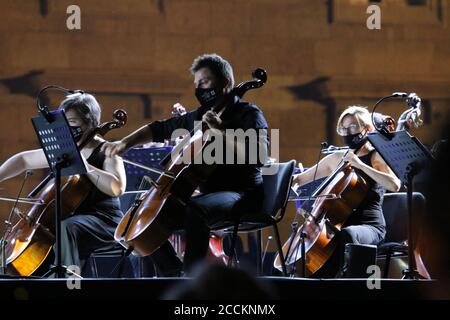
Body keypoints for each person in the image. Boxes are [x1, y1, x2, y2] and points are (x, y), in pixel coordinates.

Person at [102, 53, 269, 274]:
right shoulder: (203, 114)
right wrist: (125, 142)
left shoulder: (249, 113)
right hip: (212, 197)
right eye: (197, 84)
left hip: (243, 194)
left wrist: (220, 131)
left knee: (195, 209)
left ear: (225, 83)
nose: (200, 88)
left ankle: (192, 282)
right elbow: (161, 128)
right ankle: (174, 274)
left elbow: (260, 155)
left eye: (205, 82)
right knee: (147, 222)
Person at [0, 93, 127, 275]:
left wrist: (87, 166)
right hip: (72, 220)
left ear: (89, 121)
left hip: (104, 221)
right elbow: (23, 160)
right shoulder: (65, 150)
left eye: (73, 121)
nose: (68, 126)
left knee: (65, 227)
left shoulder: (107, 150)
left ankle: (68, 281)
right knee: (50, 232)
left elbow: (117, 188)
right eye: (65, 121)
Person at [292, 106, 401, 277]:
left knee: (346, 235)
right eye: (343, 128)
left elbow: (395, 185)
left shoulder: (376, 156)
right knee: (313, 245)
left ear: (367, 128)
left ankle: (344, 289)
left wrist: (360, 164)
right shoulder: (338, 157)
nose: (347, 132)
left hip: (370, 227)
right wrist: (282, 178)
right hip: (339, 226)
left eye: (352, 127)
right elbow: (301, 178)